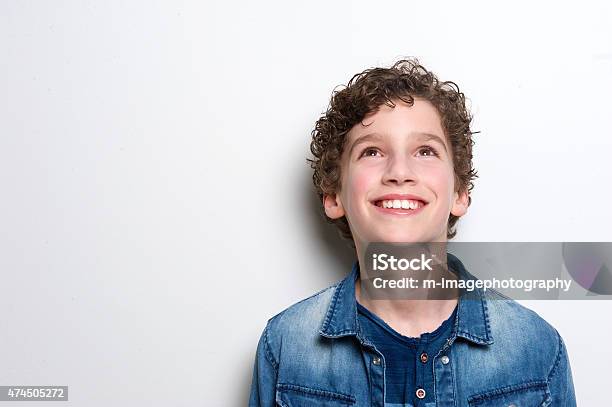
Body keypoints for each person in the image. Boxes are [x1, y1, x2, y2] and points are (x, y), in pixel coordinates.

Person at [248, 58, 576, 406]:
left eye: (425, 151)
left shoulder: (536, 349)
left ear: (460, 194)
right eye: (372, 151)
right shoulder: (285, 346)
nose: (399, 171)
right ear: (333, 195)